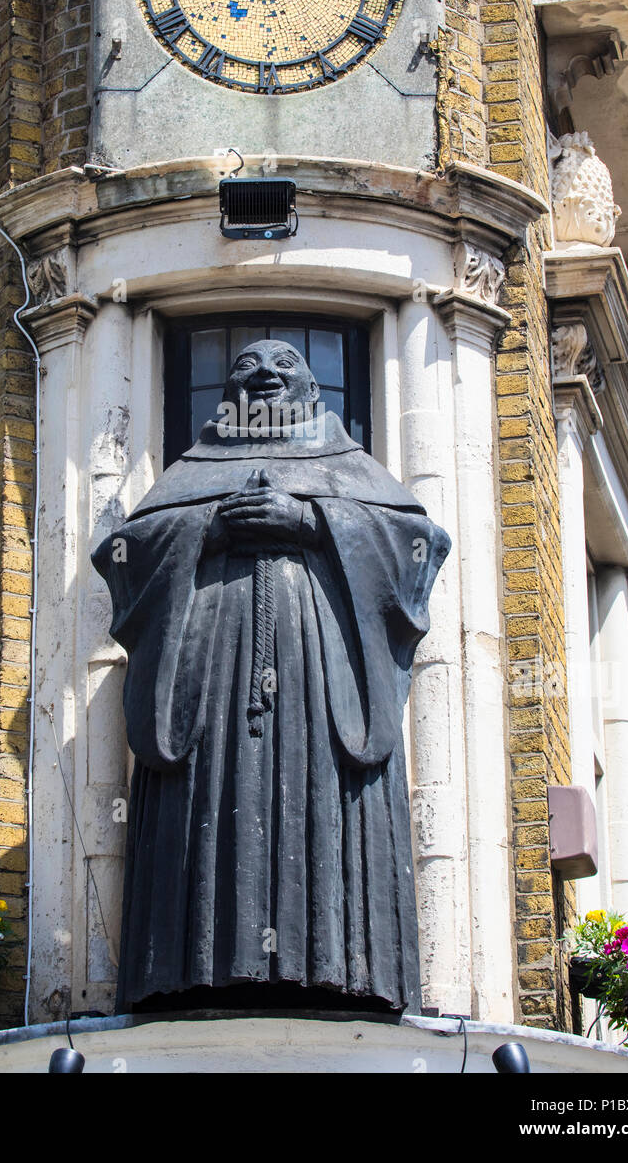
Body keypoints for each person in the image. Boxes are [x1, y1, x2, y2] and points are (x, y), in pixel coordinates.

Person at [92, 339, 450, 1013]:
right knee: (210, 802)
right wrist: (208, 530)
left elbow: (418, 545)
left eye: (285, 365)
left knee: (321, 796)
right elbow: (121, 554)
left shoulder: (349, 465)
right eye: (246, 367)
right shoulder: (190, 472)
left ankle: (346, 968)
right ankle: (190, 966)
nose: (263, 377)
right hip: (210, 682)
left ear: (313, 387)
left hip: (324, 678)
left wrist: (315, 521)